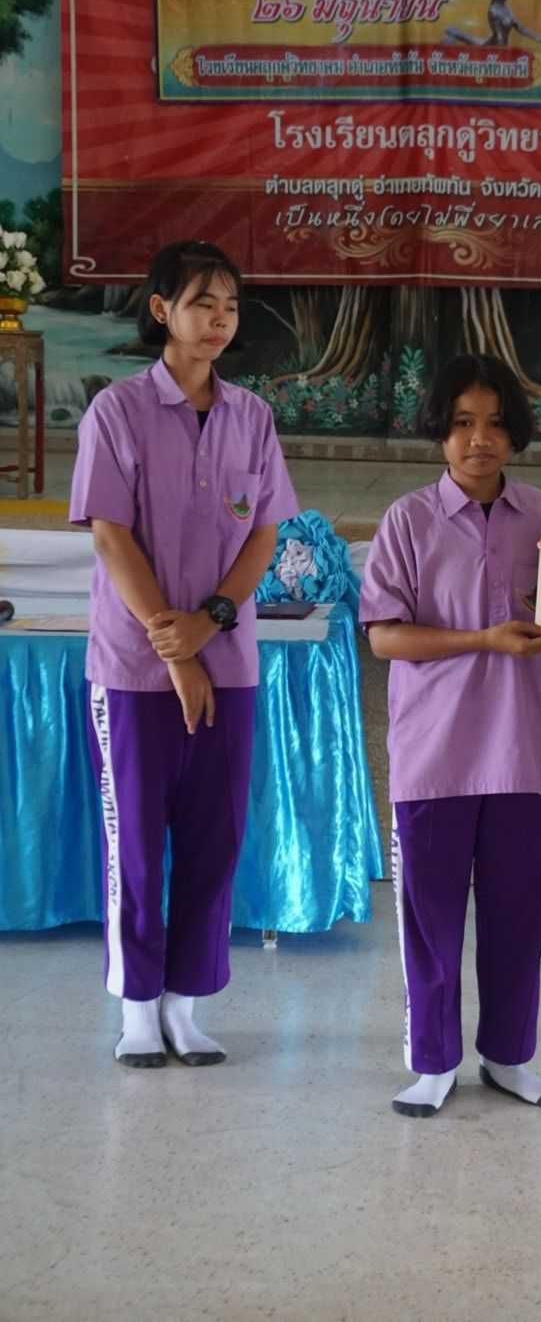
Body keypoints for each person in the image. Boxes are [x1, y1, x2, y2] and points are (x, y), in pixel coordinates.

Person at [69, 241, 299, 1068]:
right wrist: (174, 647)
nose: (219, 320)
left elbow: (264, 531)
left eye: (230, 306)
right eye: (203, 302)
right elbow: (110, 533)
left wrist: (213, 622)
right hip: (134, 670)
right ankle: (137, 1006)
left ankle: (185, 1004)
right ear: (162, 309)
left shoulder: (252, 417)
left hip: (228, 664)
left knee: (214, 837)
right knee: (135, 841)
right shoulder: (118, 411)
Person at [359, 353, 541, 1119]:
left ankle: (509, 1056)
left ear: (515, 433)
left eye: (494, 423)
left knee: (518, 917)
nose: (479, 439)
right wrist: (484, 640)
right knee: (429, 922)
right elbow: (385, 637)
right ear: (440, 431)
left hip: (523, 751)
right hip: (434, 757)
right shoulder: (408, 521)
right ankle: (432, 1063)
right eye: (462, 423)